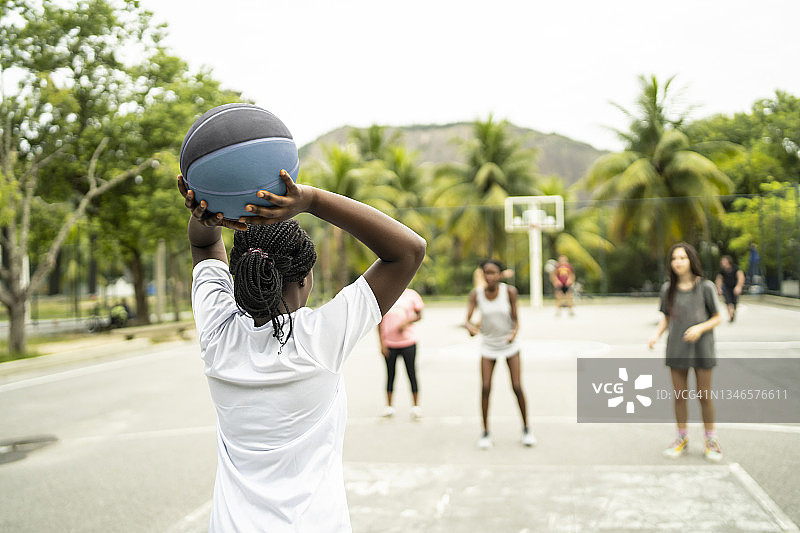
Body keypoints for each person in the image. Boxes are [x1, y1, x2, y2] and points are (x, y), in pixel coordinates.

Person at [179, 169, 426, 532]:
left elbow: (203, 245)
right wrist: (310, 200)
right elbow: (410, 249)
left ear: (238, 275)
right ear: (305, 278)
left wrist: (206, 211)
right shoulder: (319, 338)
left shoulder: (218, 333)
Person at [648, 242, 722, 462]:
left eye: (682, 258)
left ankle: (711, 439)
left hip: (702, 348)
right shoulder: (667, 289)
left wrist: (700, 328)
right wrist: (656, 335)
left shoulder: (705, 287)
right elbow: (666, 318)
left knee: (704, 395)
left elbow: (717, 317)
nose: (677, 262)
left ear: (691, 260)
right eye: (674, 258)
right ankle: (682, 437)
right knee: (680, 396)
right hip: (676, 348)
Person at [465, 259, 536, 449]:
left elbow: (516, 320)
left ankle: (526, 428)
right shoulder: (476, 294)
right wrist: (470, 328)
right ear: (482, 275)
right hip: (488, 346)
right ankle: (485, 432)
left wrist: (514, 333)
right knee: (486, 387)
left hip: (509, 344)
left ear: (500, 274)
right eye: (486, 273)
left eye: (494, 272)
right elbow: (468, 321)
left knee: (517, 386)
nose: (490, 276)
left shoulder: (509, 292)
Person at [377, 288, 424, 419]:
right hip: (390, 343)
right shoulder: (386, 294)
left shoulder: (412, 295)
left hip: (408, 342)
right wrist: (382, 343)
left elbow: (419, 314)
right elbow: (379, 321)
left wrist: (406, 322)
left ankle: (416, 407)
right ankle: (389, 407)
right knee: (390, 374)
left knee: (411, 373)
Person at [715, 255, 745, 322]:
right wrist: (718, 288)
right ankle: (730, 315)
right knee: (727, 301)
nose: (723, 262)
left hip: (734, 287)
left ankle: (733, 312)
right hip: (726, 287)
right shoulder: (722, 271)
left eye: (724, 261)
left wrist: (739, 286)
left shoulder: (735, 268)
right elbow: (719, 279)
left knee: (734, 302)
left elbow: (741, 277)